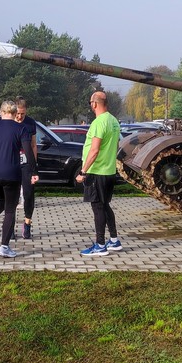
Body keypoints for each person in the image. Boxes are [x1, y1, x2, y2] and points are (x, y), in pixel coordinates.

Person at [0, 100, 37, 258]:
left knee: (0, 202)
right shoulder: (21, 128)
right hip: (11, 173)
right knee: (10, 209)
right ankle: (4, 246)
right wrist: (33, 171)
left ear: (1, 113)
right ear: (15, 112)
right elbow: (29, 152)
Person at [76, 91, 123, 256]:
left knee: (97, 207)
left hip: (97, 171)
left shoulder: (99, 122)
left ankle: (100, 244)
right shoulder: (113, 120)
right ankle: (114, 240)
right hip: (109, 170)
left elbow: (94, 150)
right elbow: (116, 145)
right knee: (105, 205)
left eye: (90, 102)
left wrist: (83, 171)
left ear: (94, 104)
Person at [14, 98, 38, 239]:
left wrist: (34, 165)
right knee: (12, 195)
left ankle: (27, 223)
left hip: (27, 163)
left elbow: (34, 145)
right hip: (12, 162)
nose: (19, 117)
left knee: (28, 194)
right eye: (17, 113)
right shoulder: (9, 122)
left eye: (22, 114)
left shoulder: (30, 123)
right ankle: (10, 226)